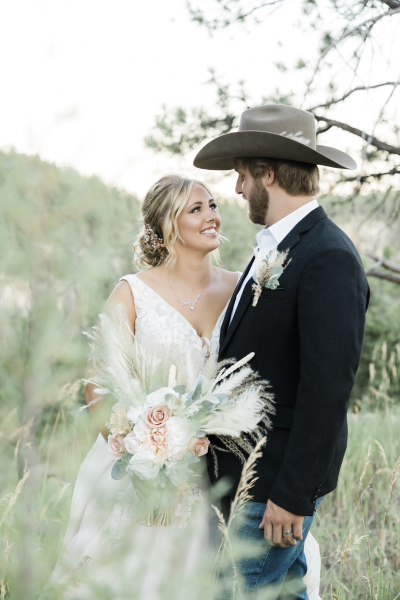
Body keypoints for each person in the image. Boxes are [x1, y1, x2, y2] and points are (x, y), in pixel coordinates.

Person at [39, 173, 323, 600]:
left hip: (221, 469)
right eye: (197, 209)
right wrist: (145, 455)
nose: (213, 216)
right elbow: (97, 387)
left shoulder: (242, 287)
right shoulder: (132, 292)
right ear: (168, 227)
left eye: (212, 205)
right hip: (139, 469)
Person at [193, 103, 370, 599]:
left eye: (241, 176)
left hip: (272, 486)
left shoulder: (327, 256)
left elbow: (327, 390)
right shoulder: (273, 248)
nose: (237, 189)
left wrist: (291, 495)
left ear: (266, 174)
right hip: (243, 476)